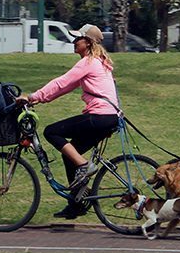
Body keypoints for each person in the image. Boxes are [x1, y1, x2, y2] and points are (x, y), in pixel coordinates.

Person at [20, 23, 121, 219]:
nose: (73, 42)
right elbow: (65, 87)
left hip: (100, 117)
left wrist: (32, 97)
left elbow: (61, 82)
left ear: (88, 43)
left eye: (77, 39)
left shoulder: (88, 62)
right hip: (108, 118)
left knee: (51, 132)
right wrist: (41, 98)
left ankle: (84, 166)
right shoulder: (98, 62)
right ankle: (76, 205)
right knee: (69, 155)